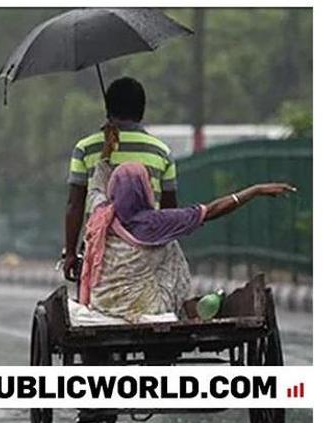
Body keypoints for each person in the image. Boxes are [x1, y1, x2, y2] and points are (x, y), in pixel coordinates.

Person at [78, 126, 295, 322]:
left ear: (114, 189)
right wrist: (255, 190)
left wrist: (107, 150)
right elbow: (212, 210)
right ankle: (188, 307)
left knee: (163, 245)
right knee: (170, 245)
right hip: (146, 306)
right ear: (145, 189)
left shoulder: (100, 214)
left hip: (104, 303)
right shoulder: (157, 222)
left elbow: (96, 185)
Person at [64, 77, 177, 281]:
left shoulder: (85, 149)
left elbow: (75, 205)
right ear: (141, 111)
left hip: (98, 254)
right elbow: (169, 211)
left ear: (108, 109)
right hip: (147, 253)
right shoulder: (162, 152)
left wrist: (70, 253)